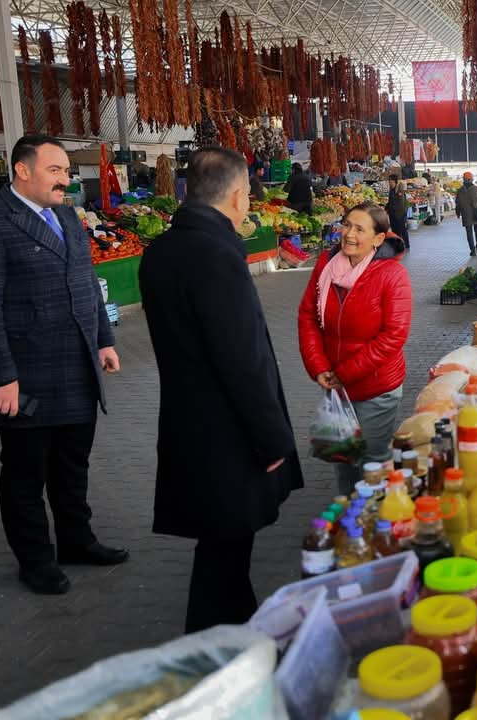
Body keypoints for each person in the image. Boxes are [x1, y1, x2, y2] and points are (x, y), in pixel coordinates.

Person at [0, 134, 126, 595]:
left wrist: (104, 341)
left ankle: (76, 541)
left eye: (67, 172)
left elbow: (87, 282)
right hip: (23, 377)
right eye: (56, 171)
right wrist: (0, 377)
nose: (65, 181)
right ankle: (35, 560)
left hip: (77, 368)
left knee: (73, 466)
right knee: (26, 473)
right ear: (22, 171)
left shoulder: (66, 217)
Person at [139, 148, 303, 632]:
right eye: (249, 193)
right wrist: (273, 438)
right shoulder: (216, 255)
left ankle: (234, 632)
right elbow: (242, 359)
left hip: (190, 421)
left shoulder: (161, 252)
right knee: (226, 547)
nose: (249, 202)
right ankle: (219, 644)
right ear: (236, 195)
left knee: (223, 545)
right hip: (228, 431)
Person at [298, 204, 412, 494]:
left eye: (360, 229)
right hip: (337, 386)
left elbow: (393, 336)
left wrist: (344, 372)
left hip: (376, 389)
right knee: (345, 459)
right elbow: (308, 316)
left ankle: (378, 527)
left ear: (378, 239)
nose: (348, 234)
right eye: (346, 225)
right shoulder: (327, 265)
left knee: (372, 464)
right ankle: (350, 525)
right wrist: (319, 366)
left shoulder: (392, 275)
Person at [455, 171, 477, 256]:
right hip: (476, 214)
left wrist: (458, 213)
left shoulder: (460, 191)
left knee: (469, 233)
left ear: (464, 179)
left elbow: (457, 203)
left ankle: (473, 250)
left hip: (466, 214)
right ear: (471, 179)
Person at [387, 174, 410, 250]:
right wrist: (385, 208)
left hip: (399, 214)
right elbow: (390, 201)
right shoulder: (392, 190)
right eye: (389, 181)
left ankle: (406, 245)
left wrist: (390, 208)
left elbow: (399, 203)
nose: (389, 183)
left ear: (394, 181)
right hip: (393, 214)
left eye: (390, 181)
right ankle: (398, 245)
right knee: (395, 230)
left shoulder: (399, 190)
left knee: (402, 230)